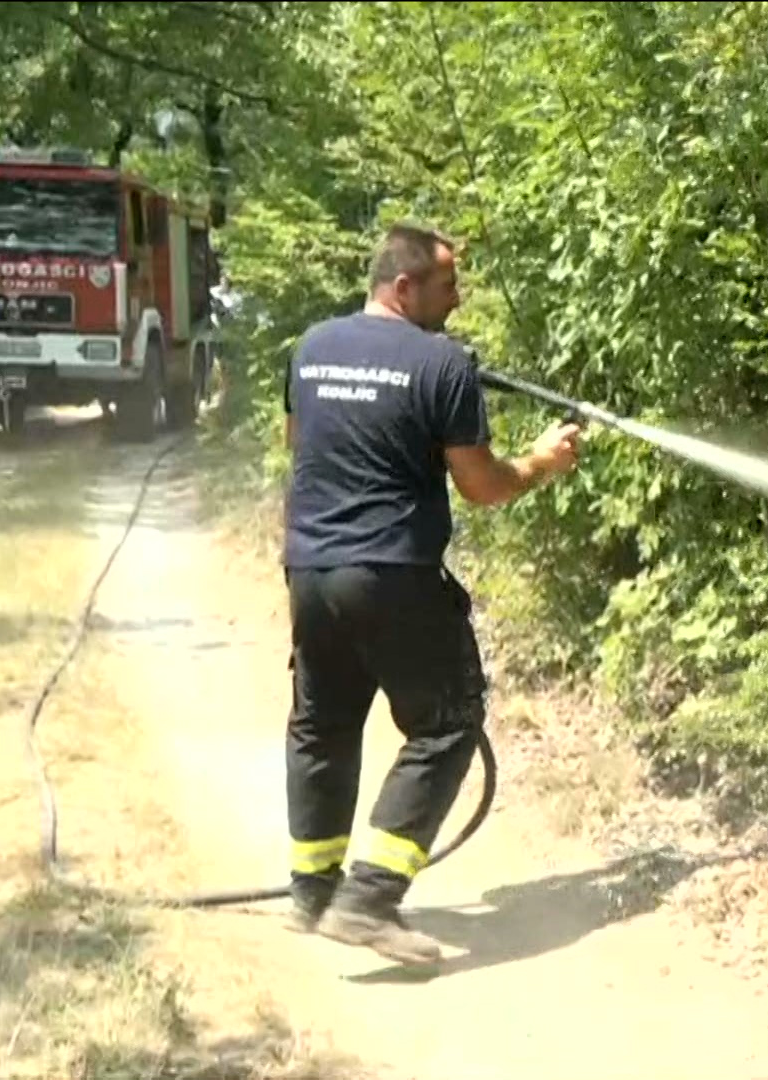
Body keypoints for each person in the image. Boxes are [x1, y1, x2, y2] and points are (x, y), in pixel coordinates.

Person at [279, 223, 583, 965]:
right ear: (403, 286)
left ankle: (313, 894)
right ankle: (368, 899)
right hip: (392, 574)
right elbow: (482, 486)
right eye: (448, 286)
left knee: (322, 725)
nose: (459, 299)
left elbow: (298, 443)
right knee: (449, 721)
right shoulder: (442, 364)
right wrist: (540, 462)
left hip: (310, 571)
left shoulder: (312, 347)